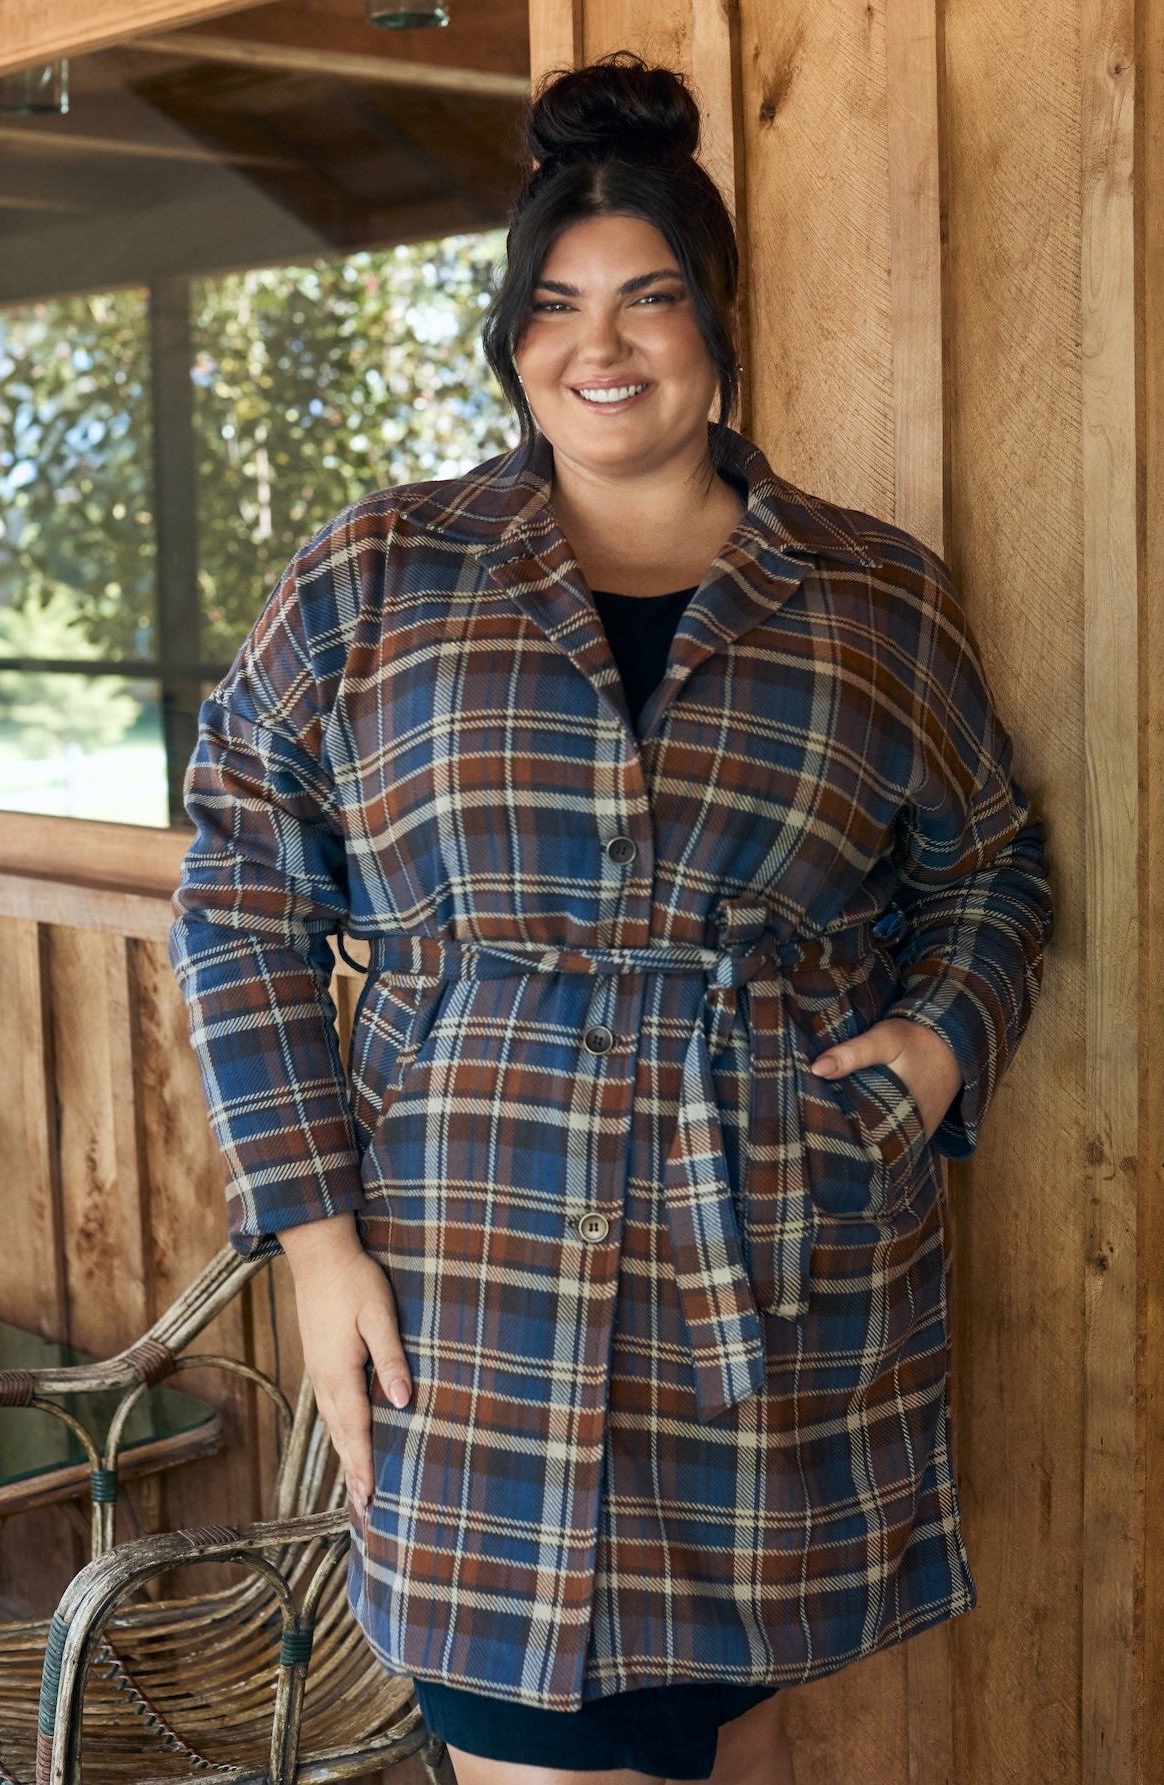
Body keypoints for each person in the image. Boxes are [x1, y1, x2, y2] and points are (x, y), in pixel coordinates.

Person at [169, 50, 1054, 1785]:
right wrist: (315, 1233)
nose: (605, 344)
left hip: (765, 1280)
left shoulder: (871, 598)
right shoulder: (381, 575)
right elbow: (238, 871)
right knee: (519, 1739)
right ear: (512, 339)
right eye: (560, 304)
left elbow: (990, 866)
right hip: (467, 1273)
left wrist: (941, 1048)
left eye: (651, 295)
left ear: (717, 317)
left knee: (662, 1747)